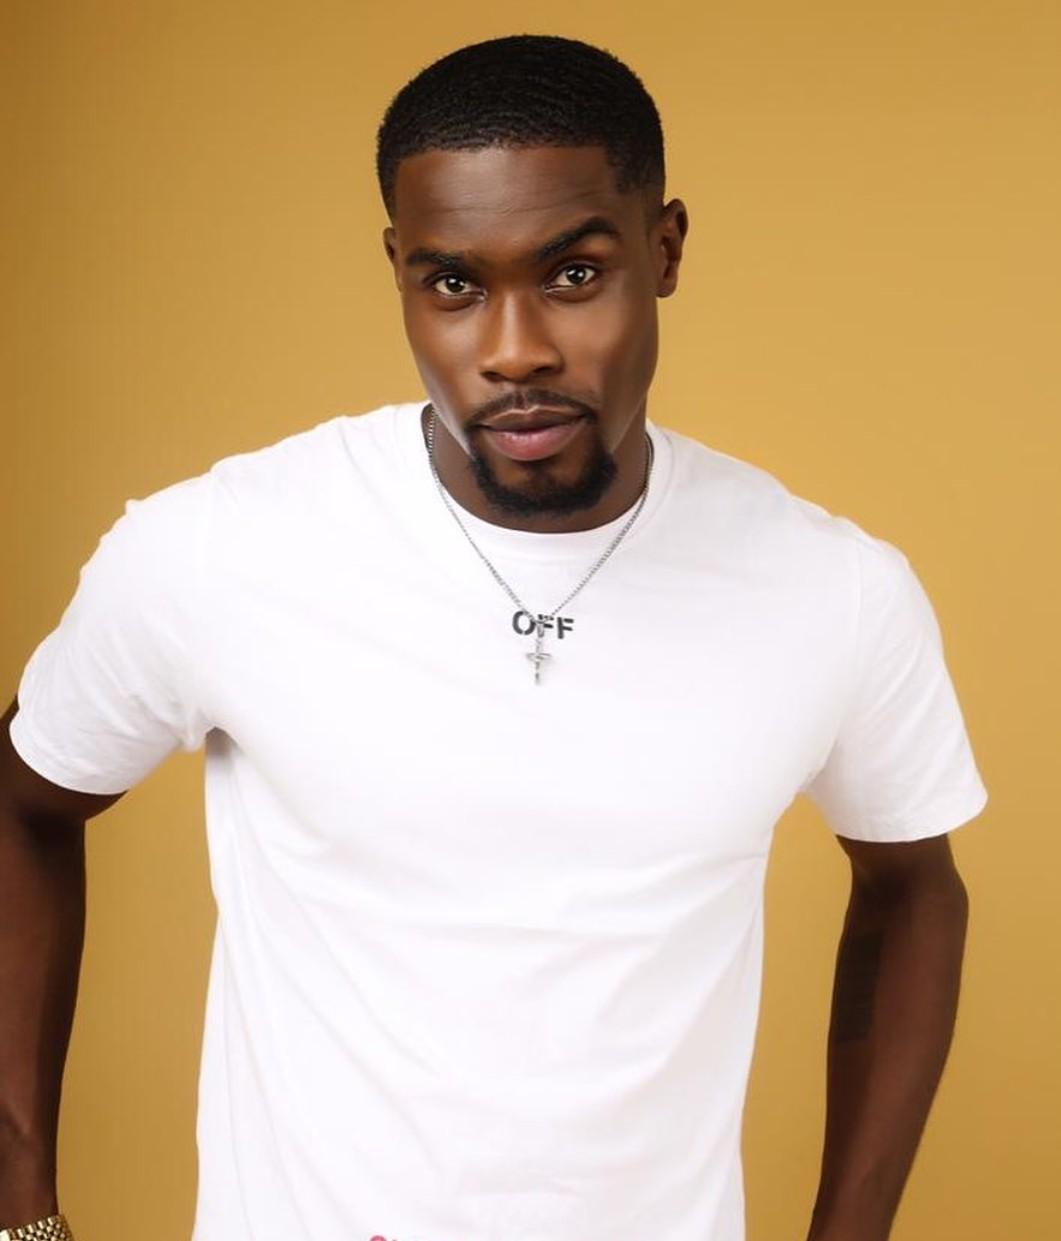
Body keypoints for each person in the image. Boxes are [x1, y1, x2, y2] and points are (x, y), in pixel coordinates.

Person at [0, 33, 988, 1241]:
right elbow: (23, 801)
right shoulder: (217, 549)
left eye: (572, 274)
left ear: (663, 249)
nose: (513, 349)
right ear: (399, 272)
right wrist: (22, 1209)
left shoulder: (831, 590)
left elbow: (912, 889)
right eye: (453, 285)